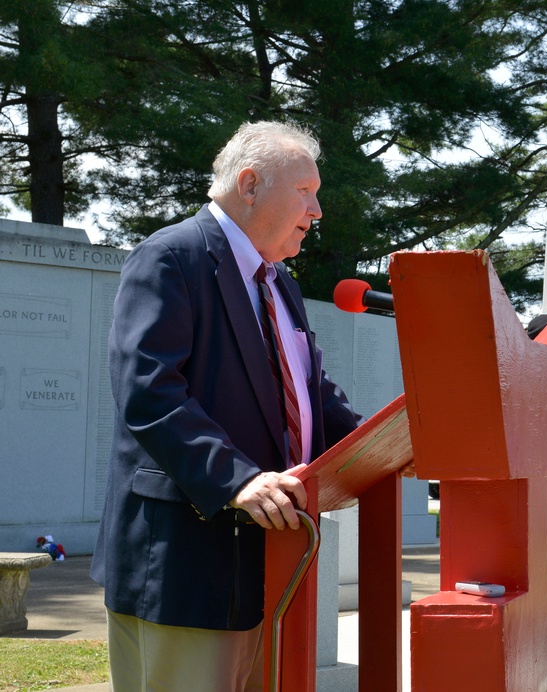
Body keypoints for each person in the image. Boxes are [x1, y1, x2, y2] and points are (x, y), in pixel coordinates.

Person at [90, 121, 364, 689]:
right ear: (249, 184)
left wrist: (384, 444)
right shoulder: (171, 258)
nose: (317, 211)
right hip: (187, 566)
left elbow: (309, 392)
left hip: (270, 568)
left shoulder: (278, 280)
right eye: (306, 191)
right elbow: (149, 390)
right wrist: (236, 480)